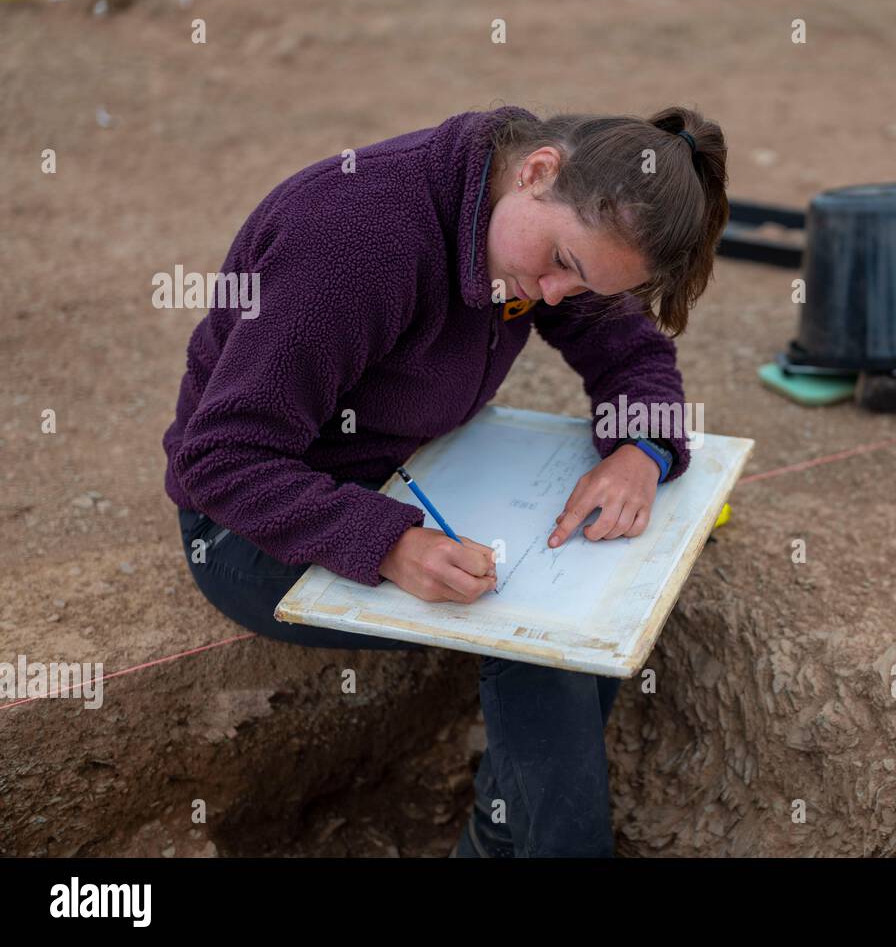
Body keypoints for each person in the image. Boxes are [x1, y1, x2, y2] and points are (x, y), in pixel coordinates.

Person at [162, 103, 730, 857]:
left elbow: (629, 352)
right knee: (538, 637)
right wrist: (388, 543)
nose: (555, 296)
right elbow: (221, 460)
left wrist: (642, 449)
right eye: (562, 265)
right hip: (253, 524)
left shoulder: (541, 227)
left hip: (416, 470)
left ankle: (502, 843)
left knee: (597, 606)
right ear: (538, 172)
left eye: (586, 286)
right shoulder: (352, 240)